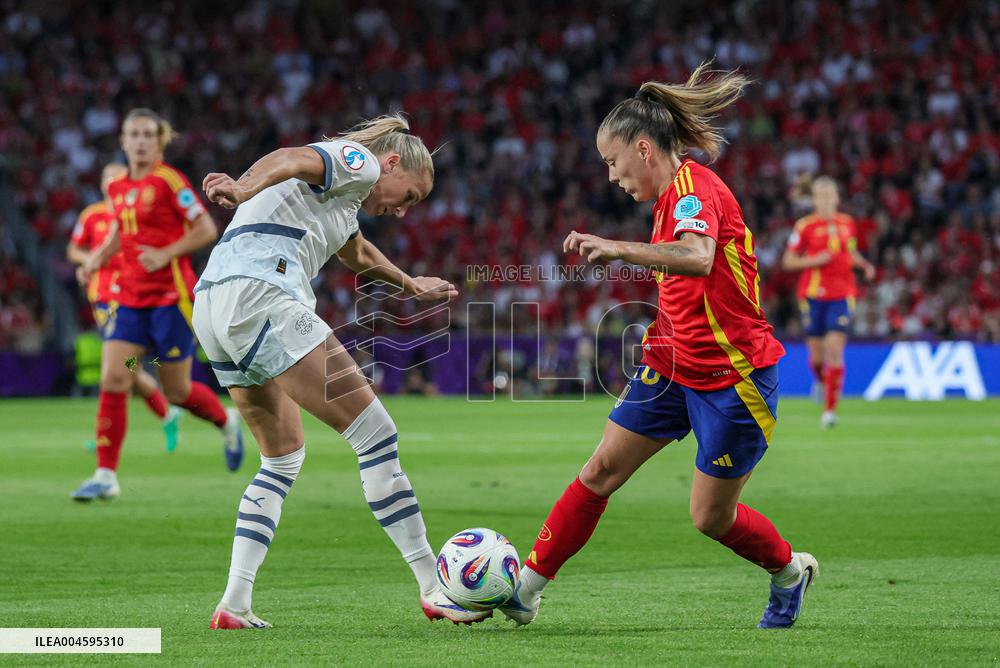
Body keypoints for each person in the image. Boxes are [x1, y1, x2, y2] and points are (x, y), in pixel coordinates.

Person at [499, 63, 817, 630]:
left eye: (612, 161)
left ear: (643, 148)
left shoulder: (696, 190)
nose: (611, 176)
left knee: (710, 517)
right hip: (670, 364)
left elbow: (697, 258)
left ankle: (789, 571)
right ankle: (525, 592)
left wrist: (617, 248)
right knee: (600, 470)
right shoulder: (668, 198)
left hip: (733, 378)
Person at [193, 114, 480, 629]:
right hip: (262, 294)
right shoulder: (359, 162)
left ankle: (235, 602)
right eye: (409, 195)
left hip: (213, 306)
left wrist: (411, 284)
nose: (402, 211)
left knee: (282, 457)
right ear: (391, 163)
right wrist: (243, 186)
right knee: (377, 436)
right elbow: (289, 158)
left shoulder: (342, 203)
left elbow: (359, 252)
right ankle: (433, 587)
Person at [71, 109, 243, 502]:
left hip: (171, 300)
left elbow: (206, 228)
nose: (141, 141)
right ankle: (105, 475)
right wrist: (96, 260)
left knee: (176, 389)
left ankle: (225, 420)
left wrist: (166, 253)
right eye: (134, 134)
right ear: (123, 140)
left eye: (148, 134)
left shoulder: (169, 181)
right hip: (129, 299)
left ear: (160, 141)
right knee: (116, 377)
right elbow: (119, 231)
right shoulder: (118, 187)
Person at [67, 162, 182, 452]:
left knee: (119, 370)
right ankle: (165, 414)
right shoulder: (91, 215)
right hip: (102, 298)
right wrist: (90, 261)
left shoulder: (138, 215)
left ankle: (109, 435)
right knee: (125, 370)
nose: (111, 182)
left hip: (130, 298)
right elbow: (73, 249)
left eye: (116, 177)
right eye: (106, 177)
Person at [782, 176, 875, 427]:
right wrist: (814, 261)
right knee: (816, 358)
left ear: (836, 198)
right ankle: (821, 381)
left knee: (834, 349)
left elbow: (850, 252)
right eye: (820, 196)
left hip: (843, 294)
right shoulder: (805, 226)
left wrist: (863, 265)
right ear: (813, 200)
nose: (825, 200)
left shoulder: (847, 223)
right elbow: (788, 261)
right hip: (813, 295)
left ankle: (829, 412)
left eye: (829, 195)